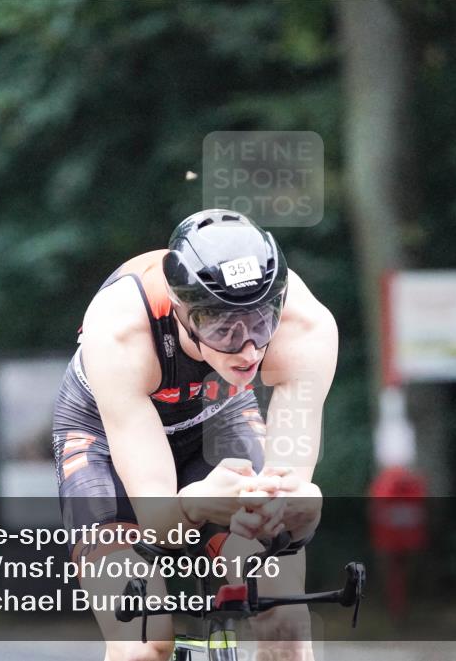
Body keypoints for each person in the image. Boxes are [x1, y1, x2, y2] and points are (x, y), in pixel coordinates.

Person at [53, 209, 338, 661]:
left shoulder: (305, 326)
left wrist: (291, 511)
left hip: (218, 416)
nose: (249, 349)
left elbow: (287, 492)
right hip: (102, 437)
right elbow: (160, 522)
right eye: (223, 328)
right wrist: (195, 503)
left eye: (262, 322)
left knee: (283, 619)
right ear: (184, 315)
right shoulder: (121, 329)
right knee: (144, 641)